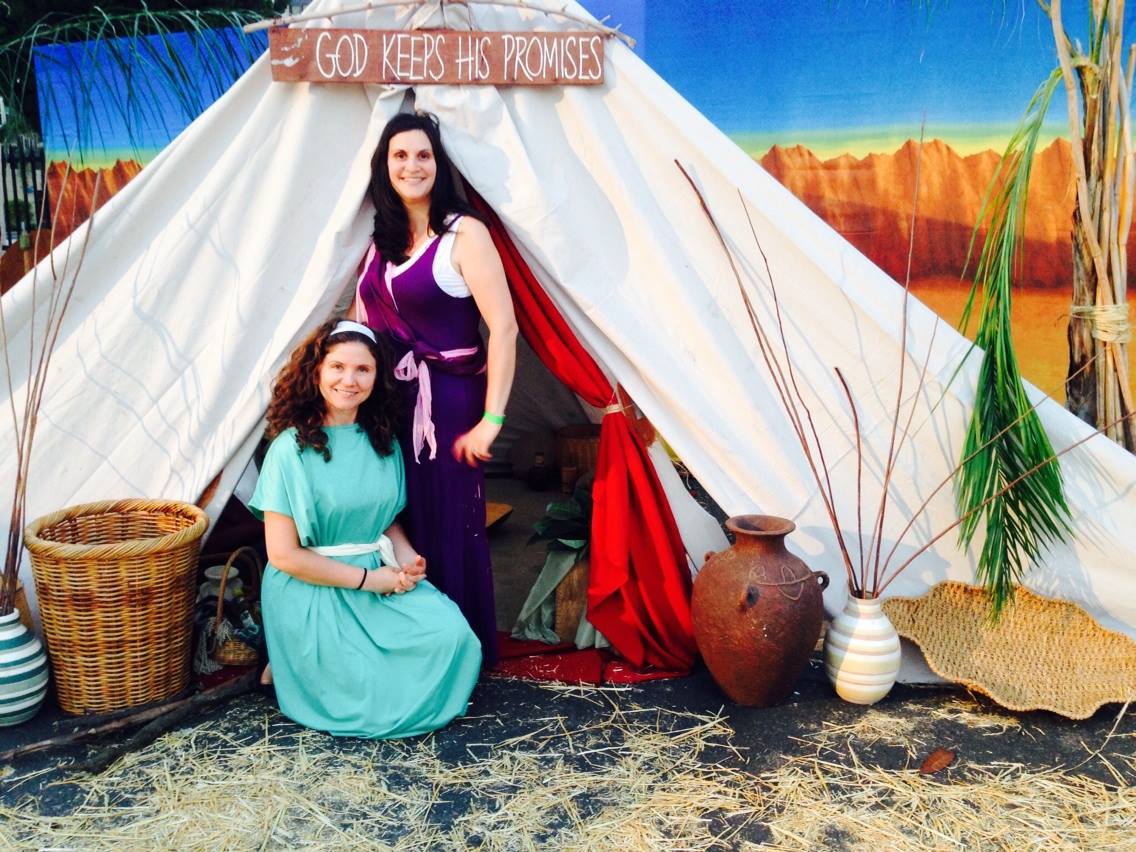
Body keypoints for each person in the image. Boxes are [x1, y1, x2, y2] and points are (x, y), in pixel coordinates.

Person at [249, 318, 481, 738]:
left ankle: (298, 667)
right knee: (368, 688)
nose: (349, 381)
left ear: (377, 377)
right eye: (337, 367)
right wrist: (369, 581)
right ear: (316, 372)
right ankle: (289, 664)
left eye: (363, 369)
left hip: (379, 574)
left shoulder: (382, 440)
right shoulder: (289, 450)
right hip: (315, 585)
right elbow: (283, 556)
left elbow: (385, 518)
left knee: (453, 637)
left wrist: (406, 559)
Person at [349, 111, 518, 667]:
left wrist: (492, 419)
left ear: (439, 164)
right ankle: (410, 647)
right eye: (400, 155)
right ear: (384, 166)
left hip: (449, 403)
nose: (412, 165)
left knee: (450, 523)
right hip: (391, 403)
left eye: (423, 155)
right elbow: (360, 325)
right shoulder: (380, 242)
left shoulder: (464, 234)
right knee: (400, 515)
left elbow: (504, 328)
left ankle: (459, 652)